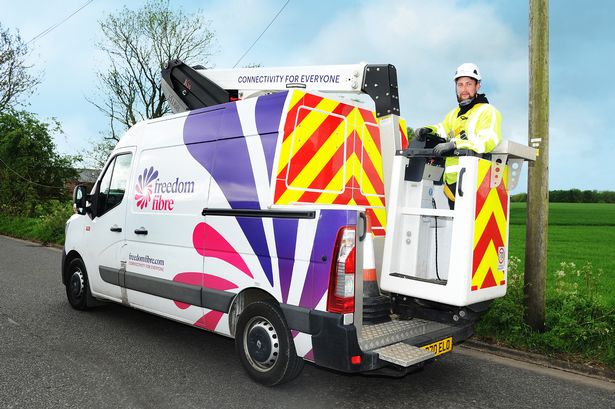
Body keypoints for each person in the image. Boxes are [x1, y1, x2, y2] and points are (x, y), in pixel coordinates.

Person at [415, 63, 502, 209]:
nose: (464, 89)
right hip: (453, 185)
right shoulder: (454, 114)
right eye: (460, 85)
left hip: (476, 184)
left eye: (469, 84)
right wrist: (428, 130)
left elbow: (488, 140)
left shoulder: (488, 111)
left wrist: (455, 144)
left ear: (477, 86)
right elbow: (443, 129)